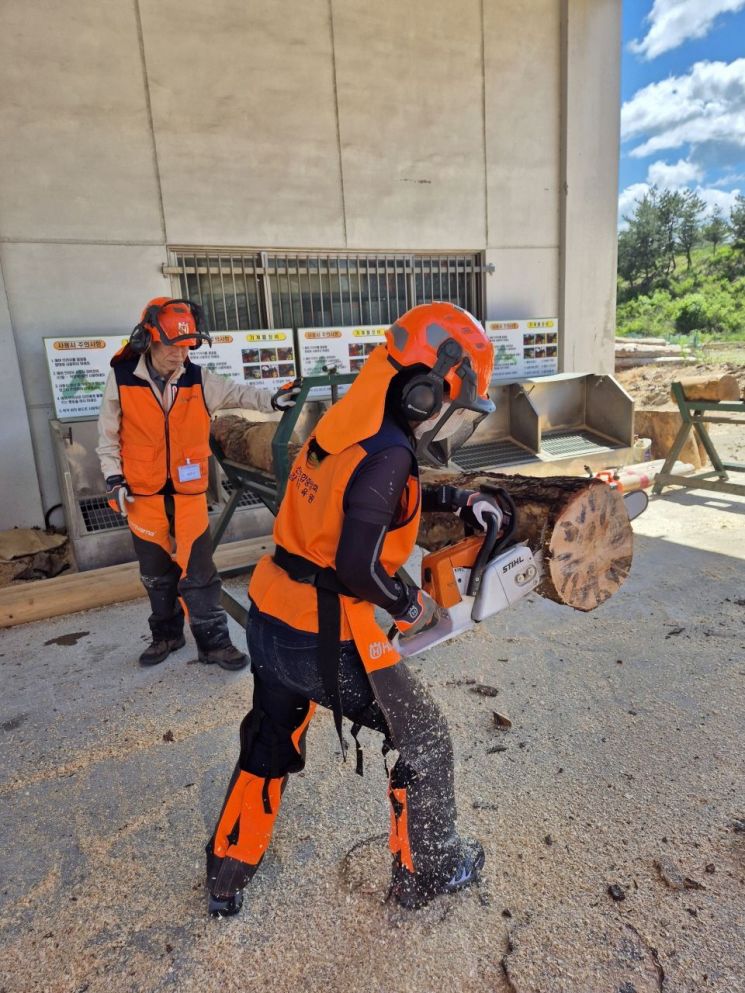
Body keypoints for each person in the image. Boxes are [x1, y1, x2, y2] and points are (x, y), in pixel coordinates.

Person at [205, 301, 513, 913]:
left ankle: (225, 874)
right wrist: (411, 605)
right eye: (448, 403)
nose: (445, 420)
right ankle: (429, 869)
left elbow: (360, 495)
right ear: (425, 389)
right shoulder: (391, 448)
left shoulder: (351, 414)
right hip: (319, 636)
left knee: (269, 737)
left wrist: (454, 498)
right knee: (425, 739)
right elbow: (356, 567)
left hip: (270, 618)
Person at [96, 297, 300, 670]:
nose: (179, 356)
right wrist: (114, 478)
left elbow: (240, 394)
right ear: (148, 341)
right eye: (172, 347)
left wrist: (274, 399)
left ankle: (214, 644)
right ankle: (167, 636)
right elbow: (108, 437)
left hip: (189, 494)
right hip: (142, 494)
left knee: (200, 572)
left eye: (186, 347)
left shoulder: (198, 379)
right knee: (156, 575)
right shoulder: (122, 380)